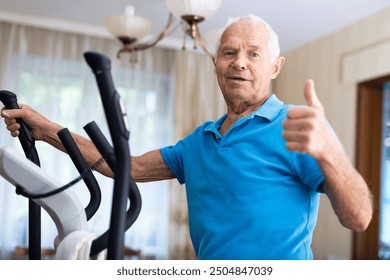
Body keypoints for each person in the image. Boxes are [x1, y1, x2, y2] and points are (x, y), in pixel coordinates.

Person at [1, 15, 373, 260]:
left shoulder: (298, 124)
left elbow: (359, 219)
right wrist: (47, 130)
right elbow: (123, 166)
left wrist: (331, 155)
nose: (239, 62)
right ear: (216, 65)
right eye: (229, 52)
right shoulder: (199, 141)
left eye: (253, 54)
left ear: (275, 66)